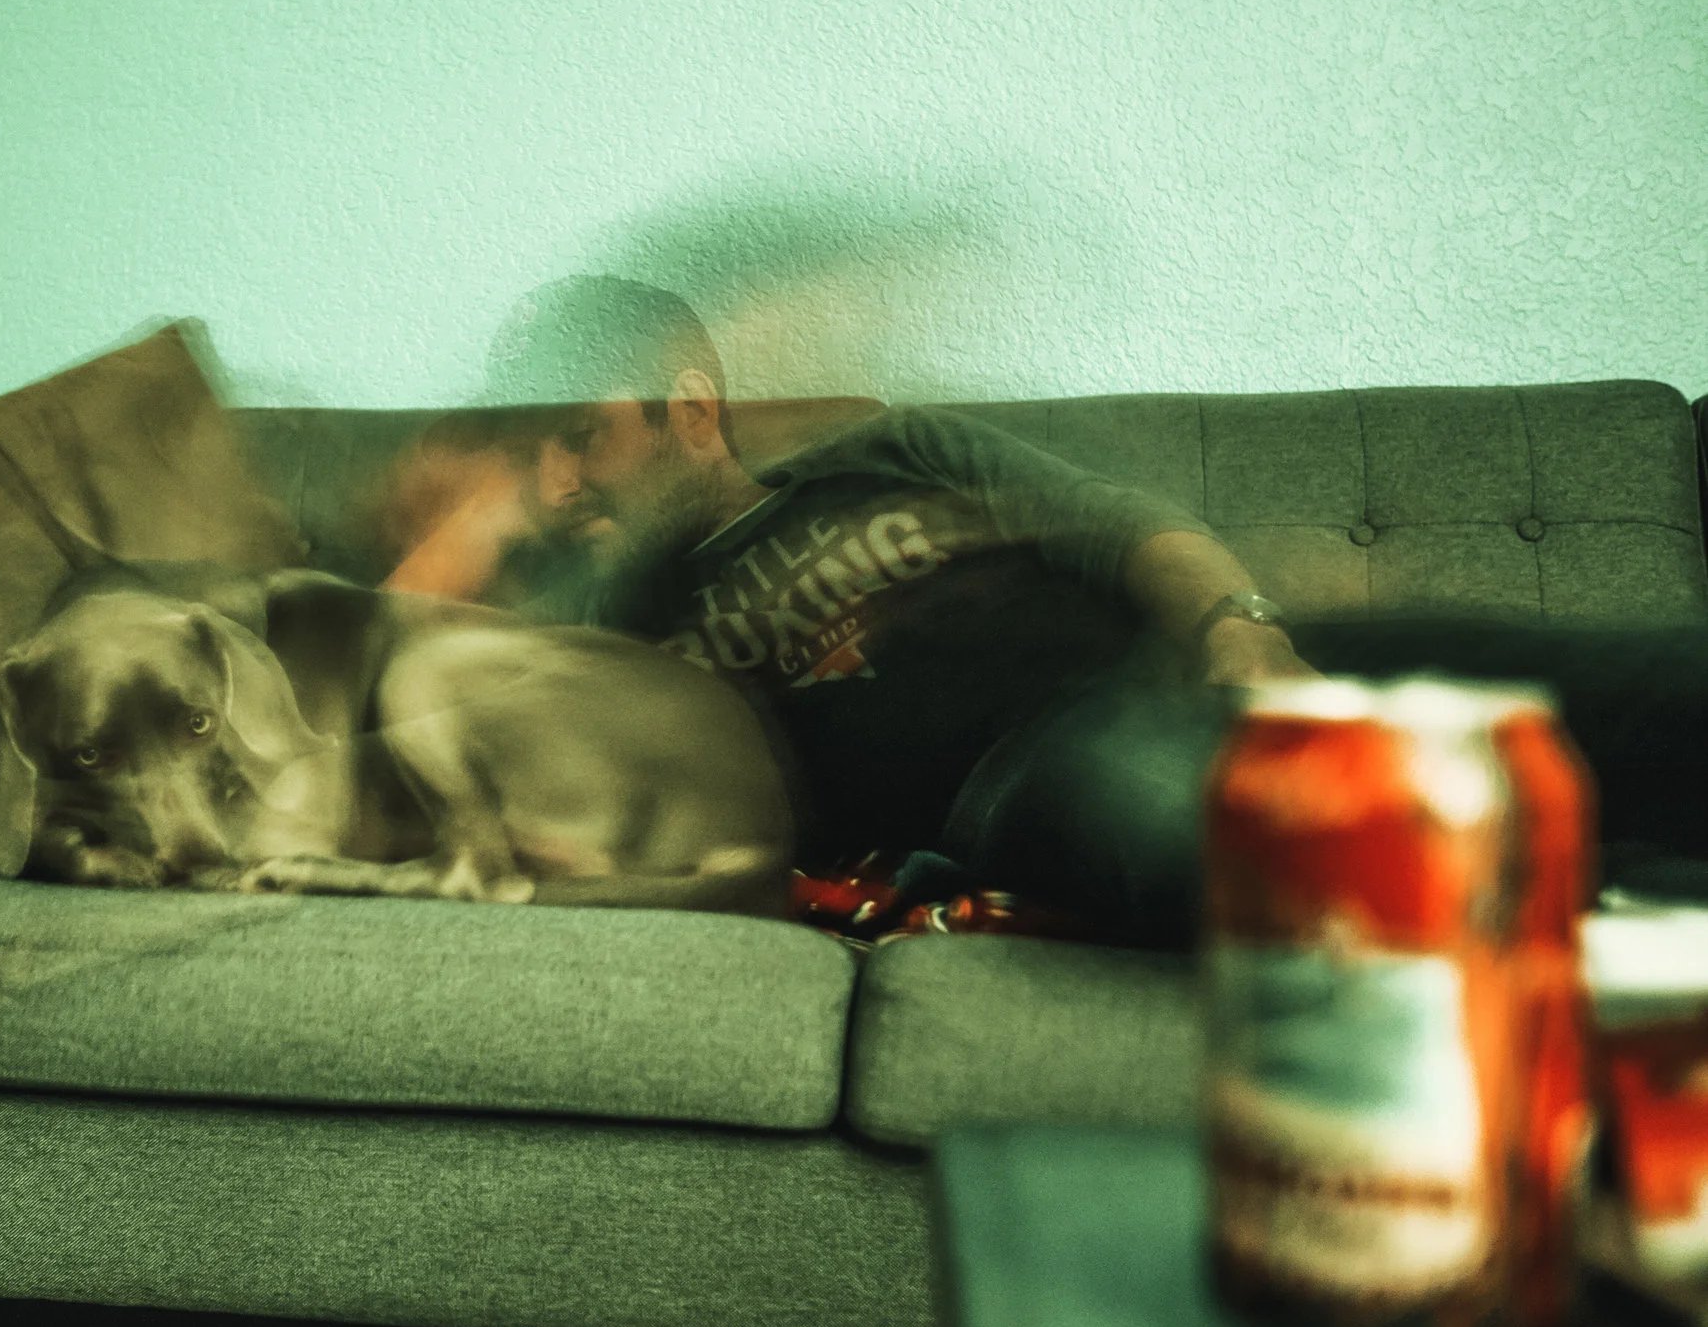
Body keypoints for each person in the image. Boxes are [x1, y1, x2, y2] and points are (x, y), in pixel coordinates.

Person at [390, 274, 1708, 949]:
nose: (562, 482)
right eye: (536, 455)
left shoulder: (891, 454)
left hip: (1190, 664)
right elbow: (416, 708)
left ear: (688, 406)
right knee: (1264, 830)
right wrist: (479, 535)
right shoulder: (612, 633)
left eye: (582, 436)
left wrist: (1240, 627)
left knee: (1638, 689)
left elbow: (1132, 527)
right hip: (1031, 779)